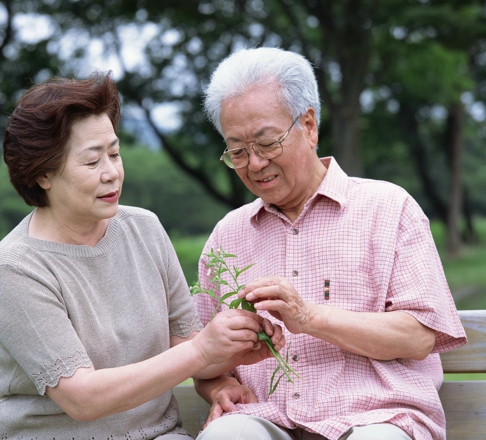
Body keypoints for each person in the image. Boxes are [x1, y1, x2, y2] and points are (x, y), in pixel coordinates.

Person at [0, 72, 285, 440]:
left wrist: (231, 355)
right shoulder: (18, 267)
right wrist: (203, 351)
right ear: (42, 174)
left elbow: (183, 343)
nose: (112, 173)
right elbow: (83, 398)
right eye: (92, 162)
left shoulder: (145, 229)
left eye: (114, 153)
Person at [192, 47, 467, 440]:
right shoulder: (228, 235)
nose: (254, 164)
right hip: (269, 420)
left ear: (309, 126)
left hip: (376, 420)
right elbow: (202, 355)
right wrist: (218, 387)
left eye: (267, 143)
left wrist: (309, 318)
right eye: (237, 151)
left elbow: (419, 336)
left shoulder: (388, 208)